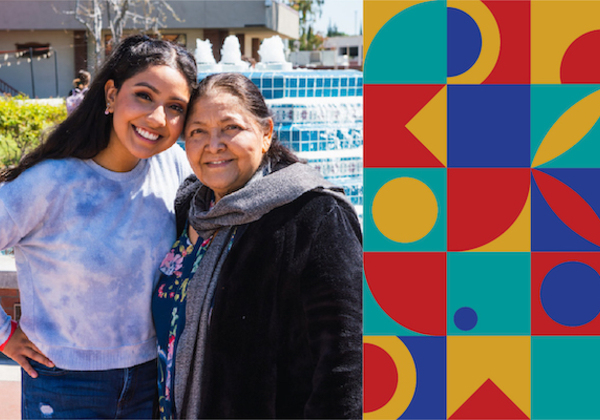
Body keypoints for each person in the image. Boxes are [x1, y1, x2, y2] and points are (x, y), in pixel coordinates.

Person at [0, 34, 197, 419]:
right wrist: (5, 335)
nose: (157, 118)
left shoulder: (176, 168)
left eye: (174, 107)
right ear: (110, 95)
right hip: (63, 383)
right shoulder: (49, 182)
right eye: (143, 95)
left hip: (150, 380)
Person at [152, 72, 363, 419]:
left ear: (266, 133)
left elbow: (347, 356)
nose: (214, 144)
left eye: (231, 127)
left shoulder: (314, 216)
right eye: (197, 131)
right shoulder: (191, 209)